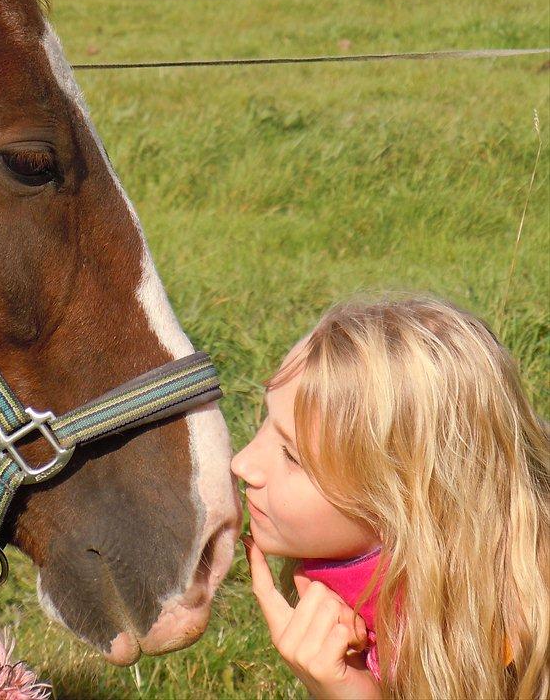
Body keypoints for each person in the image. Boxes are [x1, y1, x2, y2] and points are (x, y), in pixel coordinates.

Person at [231, 296, 549, 699]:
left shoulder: (520, 635)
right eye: (266, 424)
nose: (242, 463)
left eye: (292, 455)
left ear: (401, 500)